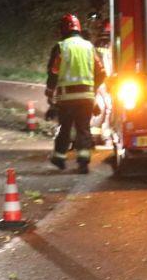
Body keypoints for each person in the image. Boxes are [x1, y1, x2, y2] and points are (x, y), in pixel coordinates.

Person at [45, 13, 106, 173]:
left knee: (65, 128)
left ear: (63, 30)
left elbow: (53, 72)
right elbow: (101, 73)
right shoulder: (89, 47)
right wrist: (93, 90)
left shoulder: (61, 47)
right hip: (87, 97)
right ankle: (83, 162)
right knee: (83, 129)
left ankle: (59, 158)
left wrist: (50, 92)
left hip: (67, 97)